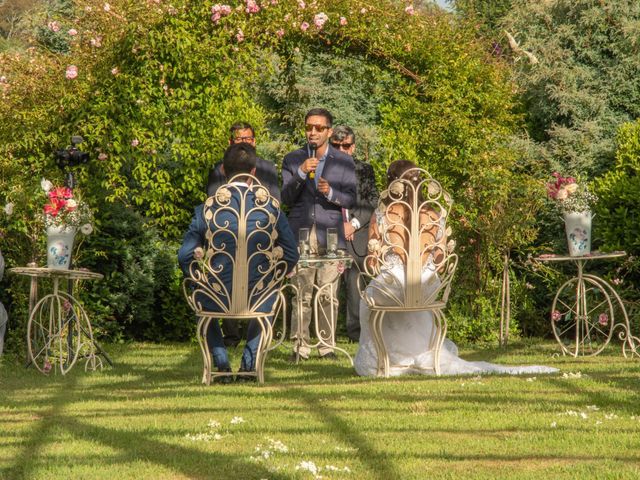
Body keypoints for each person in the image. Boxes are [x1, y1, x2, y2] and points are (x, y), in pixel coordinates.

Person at [354, 160, 558, 377]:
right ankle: (418, 354)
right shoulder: (433, 214)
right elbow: (441, 259)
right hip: (426, 288)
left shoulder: (382, 214)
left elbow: (373, 260)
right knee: (412, 297)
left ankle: (387, 360)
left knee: (368, 299)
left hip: (393, 288)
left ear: (391, 184)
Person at [179, 143, 298, 383]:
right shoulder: (271, 209)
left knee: (197, 288)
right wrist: (274, 275)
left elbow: (184, 256)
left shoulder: (208, 209)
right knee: (270, 290)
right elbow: (291, 254)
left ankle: (221, 365)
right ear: (254, 172)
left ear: (223, 170)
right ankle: (248, 365)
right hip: (259, 294)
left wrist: (199, 277)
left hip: (216, 294)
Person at [281, 108, 357, 360]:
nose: (312, 132)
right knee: (300, 292)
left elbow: (352, 199)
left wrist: (331, 193)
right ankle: (300, 347)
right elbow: (285, 197)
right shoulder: (293, 159)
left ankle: (326, 346)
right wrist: (302, 172)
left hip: (331, 233)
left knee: (328, 293)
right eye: (309, 127)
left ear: (329, 131)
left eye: (318, 128)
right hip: (301, 232)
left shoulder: (344, 161)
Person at [206, 122, 281, 347]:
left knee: (258, 285)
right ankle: (230, 336)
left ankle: (254, 335)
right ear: (230, 142)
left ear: (254, 141)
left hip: (260, 234)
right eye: (239, 139)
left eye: (247, 139)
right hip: (226, 236)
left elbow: (276, 201)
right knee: (226, 283)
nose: (243, 143)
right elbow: (212, 202)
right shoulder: (218, 169)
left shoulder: (267, 168)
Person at [330, 126, 379, 343]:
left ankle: (355, 334)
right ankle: (325, 336)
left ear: (353, 147)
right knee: (328, 285)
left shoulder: (365, 170)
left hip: (357, 233)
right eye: (336, 145)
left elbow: (372, 202)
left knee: (354, 284)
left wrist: (354, 224)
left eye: (346, 146)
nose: (341, 150)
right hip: (330, 232)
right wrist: (339, 224)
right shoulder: (323, 168)